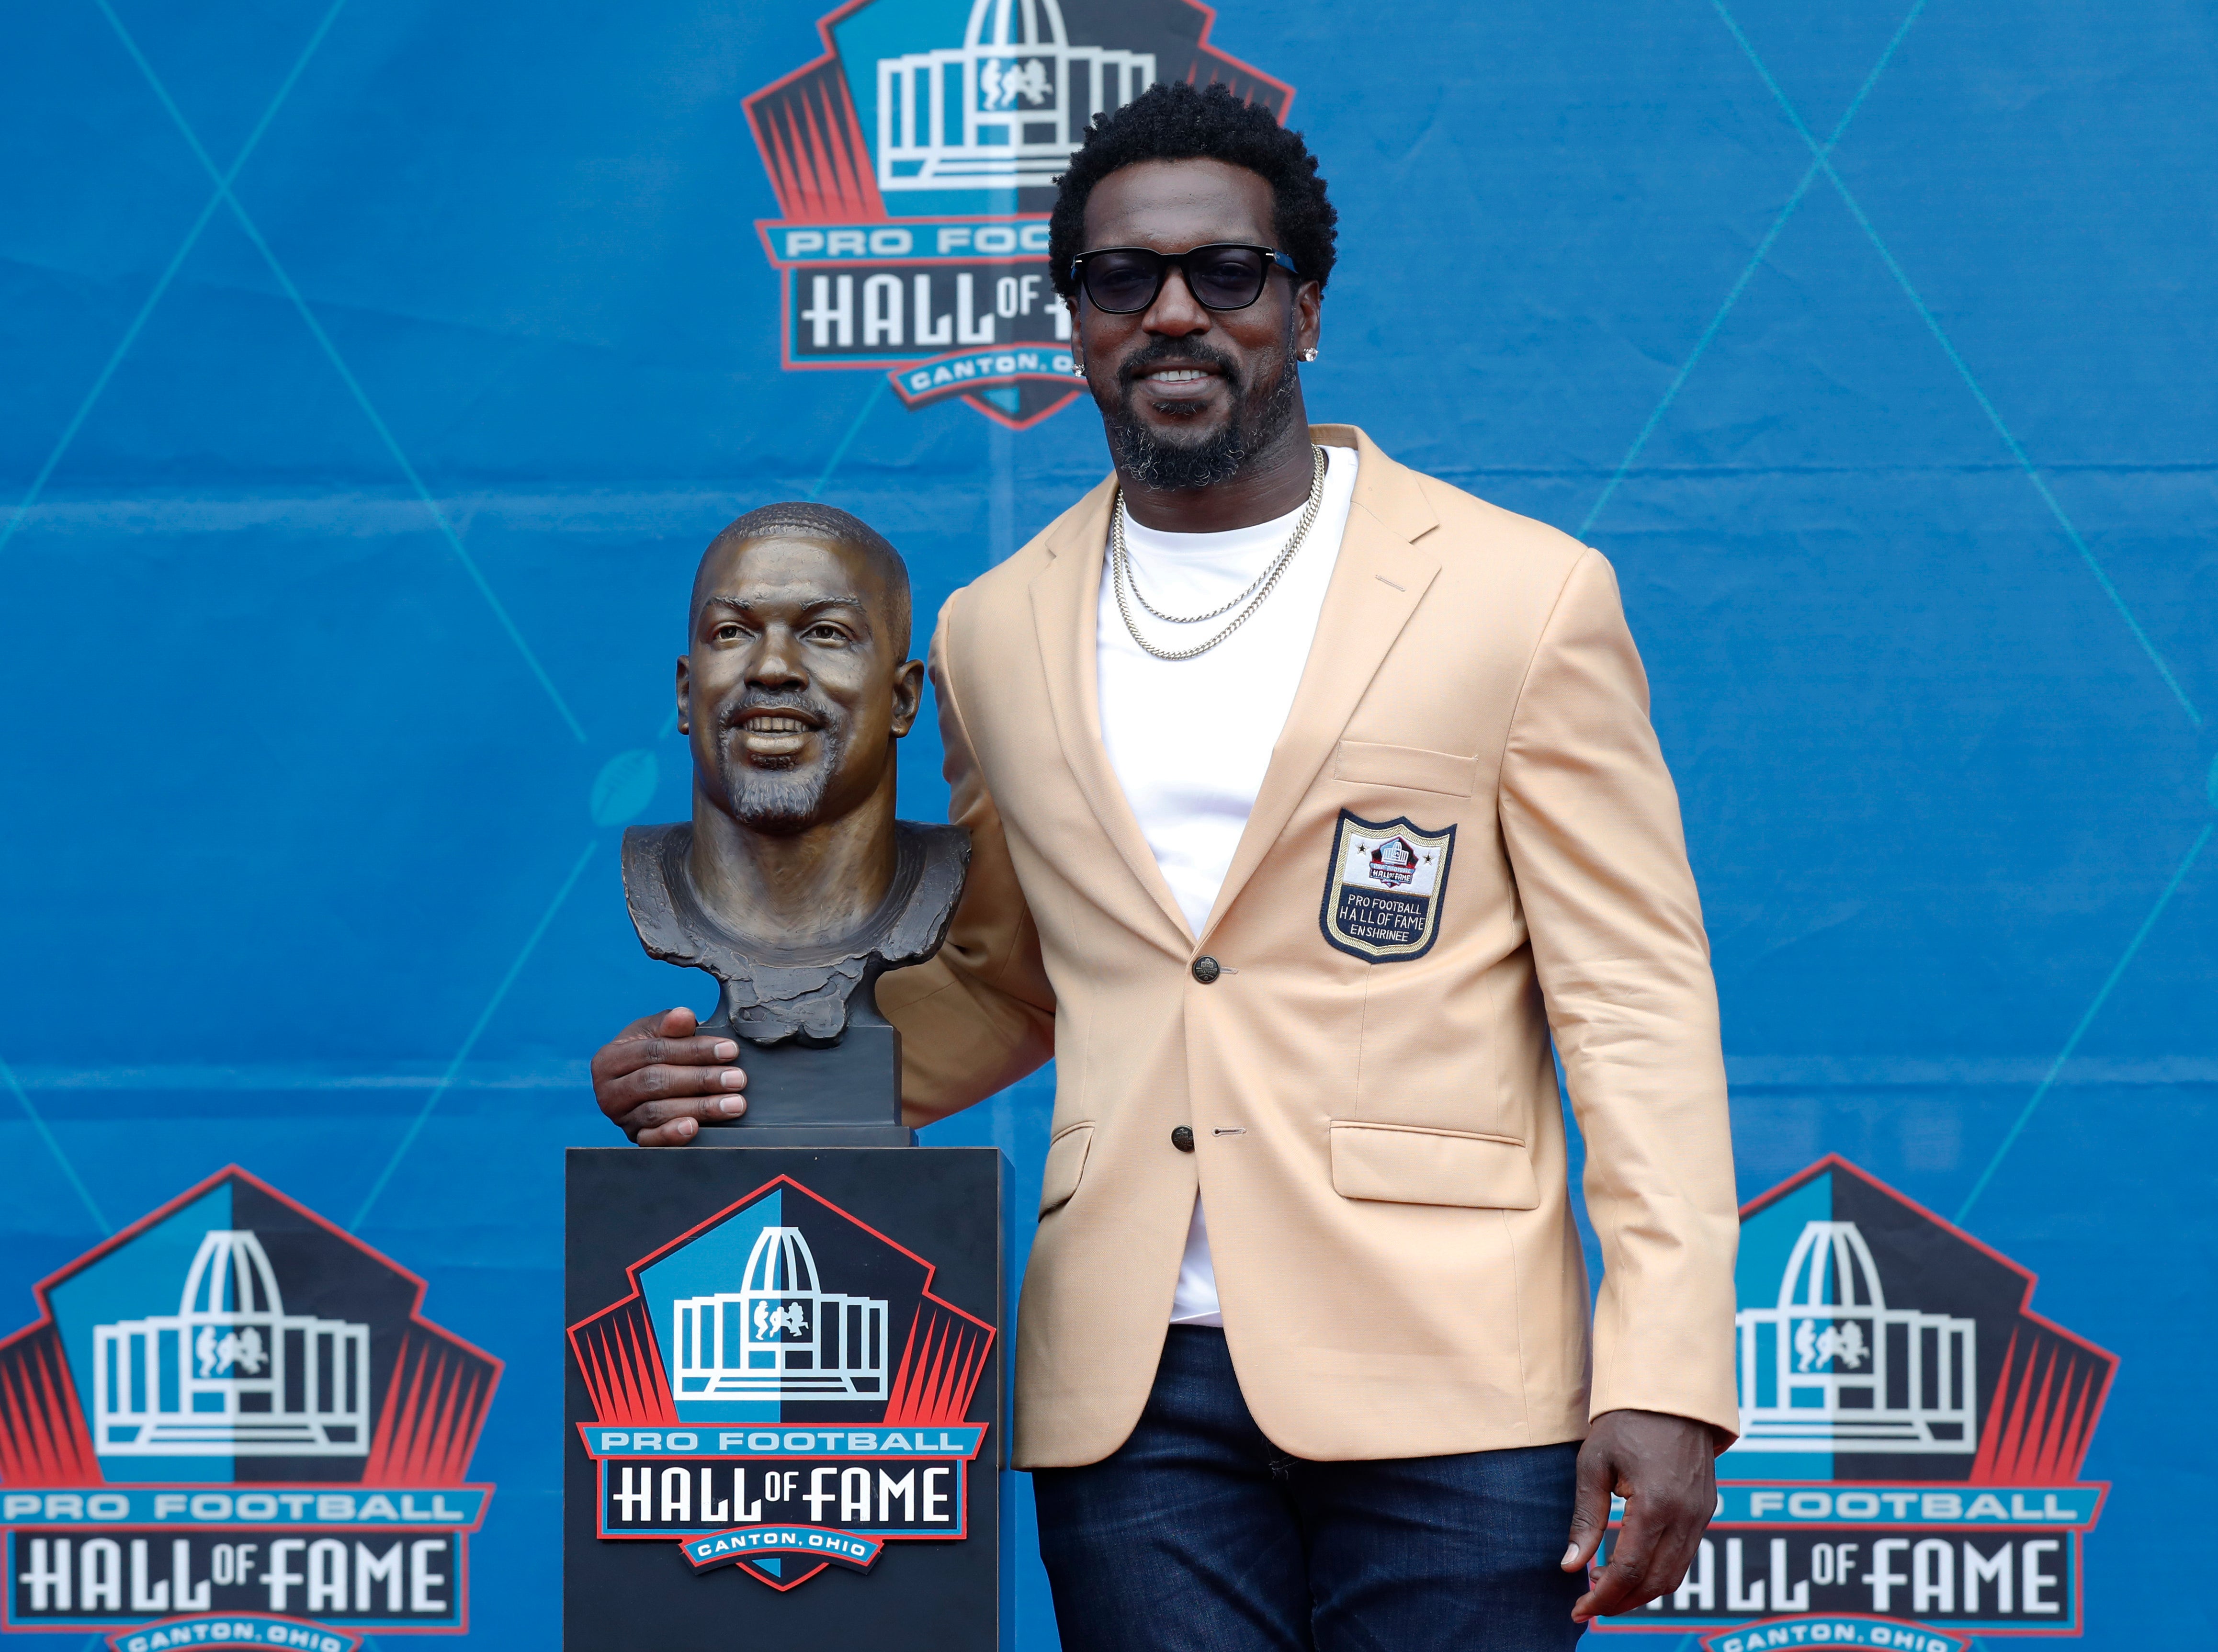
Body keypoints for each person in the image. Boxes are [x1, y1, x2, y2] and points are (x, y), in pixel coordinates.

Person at [593, 81, 1738, 1650]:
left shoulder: (1518, 595)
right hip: (1130, 1396)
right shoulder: (998, 629)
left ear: (1305, 306)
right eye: (1122, 280)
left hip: (1457, 1369)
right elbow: (1011, 978)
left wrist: (1669, 1368)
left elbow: (1634, 1003)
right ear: (1075, 324)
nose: (1177, 313)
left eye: (1229, 274)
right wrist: (744, 1086)